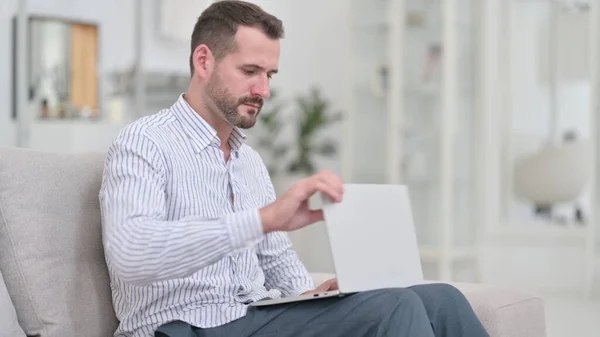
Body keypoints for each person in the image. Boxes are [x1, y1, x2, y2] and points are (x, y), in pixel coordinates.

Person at [99, 1, 489, 336]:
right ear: (204, 61)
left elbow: (277, 265)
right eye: (250, 71)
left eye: (269, 75)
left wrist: (315, 297)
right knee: (395, 308)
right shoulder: (144, 143)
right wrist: (263, 219)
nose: (264, 90)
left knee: (441, 299)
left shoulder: (247, 161)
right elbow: (130, 255)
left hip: (254, 316)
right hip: (186, 326)